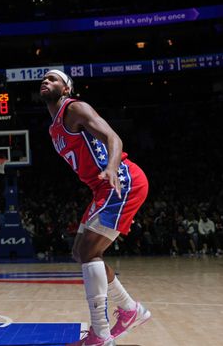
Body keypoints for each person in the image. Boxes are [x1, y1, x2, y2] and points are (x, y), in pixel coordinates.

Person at [39, 70, 151, 346]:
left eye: (53, 79)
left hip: (121, 181)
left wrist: (112, 167)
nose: (46, 81)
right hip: (101, 189)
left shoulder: (75, 108)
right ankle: (129, 309)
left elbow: (114, 138)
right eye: (44, 78)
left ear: (66, 89)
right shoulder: (54, 128)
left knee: (90, 251)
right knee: (81, 251)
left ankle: (100, 334)